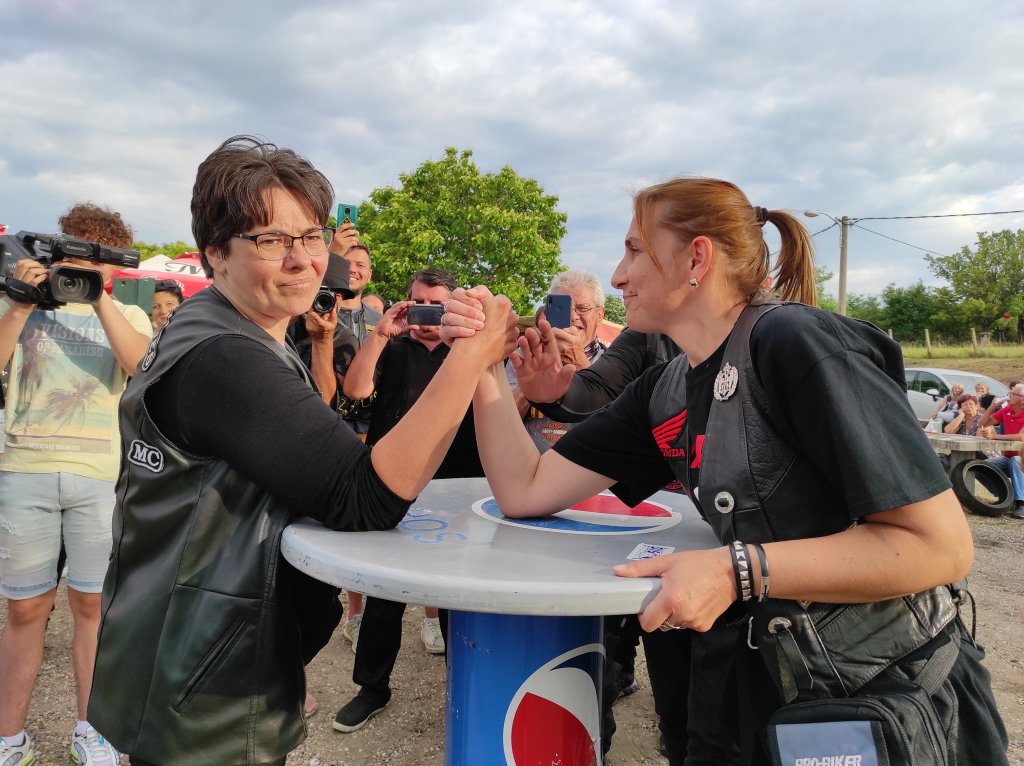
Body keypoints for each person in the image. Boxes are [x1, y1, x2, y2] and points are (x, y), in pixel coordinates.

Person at [444, 177, 1008, 764]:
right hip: (746, 693)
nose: (617, 276)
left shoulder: (797, 341)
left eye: (634, 250)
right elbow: (524, 489)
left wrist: (737, 569)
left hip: (883, 699)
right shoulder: (662, 392)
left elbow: (939, 547)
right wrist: (483, 361)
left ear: (697, 258)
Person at [86, 135, 513, 766]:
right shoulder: (226, 357)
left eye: (312, 237)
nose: (302, 260)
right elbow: (365, 496)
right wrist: (472, 358)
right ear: (215, 254)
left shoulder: (230, 330)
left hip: (188, 658)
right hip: (202, 682)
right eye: (270, 240)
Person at [0, 203, 153, 766]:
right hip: (25, 468)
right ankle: (8, 736)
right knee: (24, 609)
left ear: (112, 264)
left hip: (98, 475)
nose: (81, 266)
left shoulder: (128, 314)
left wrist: (99, 297)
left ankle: (93, 729)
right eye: (73, 253)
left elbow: (140, 367)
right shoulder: (23, 303)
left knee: (92, 606)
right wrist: (20, 302)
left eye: (96, 257)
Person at [332, 267, 484, 734]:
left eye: (437, 304)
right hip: (393, 485)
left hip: (459, 485)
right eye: (419, 301)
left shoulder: (468, 352)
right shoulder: (392, 347)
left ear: (452, 306)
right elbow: (355, 392)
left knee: (459, 593)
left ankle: (467, 689)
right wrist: (380, 334)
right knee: (384, 593)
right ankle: (371, 688)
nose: (426, 313)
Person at [979, 382, 1024, 520]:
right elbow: (983, 423)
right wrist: (992, 406)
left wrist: (994, 436)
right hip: (1008, 457)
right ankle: (1006, 497)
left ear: (1022, 400)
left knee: (1016, 461)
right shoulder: (1007, 409)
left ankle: (1021, 503)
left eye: (1013, 394)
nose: (1009, 395)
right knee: (980, 467)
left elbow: (1021, 437)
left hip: (1021, 459)